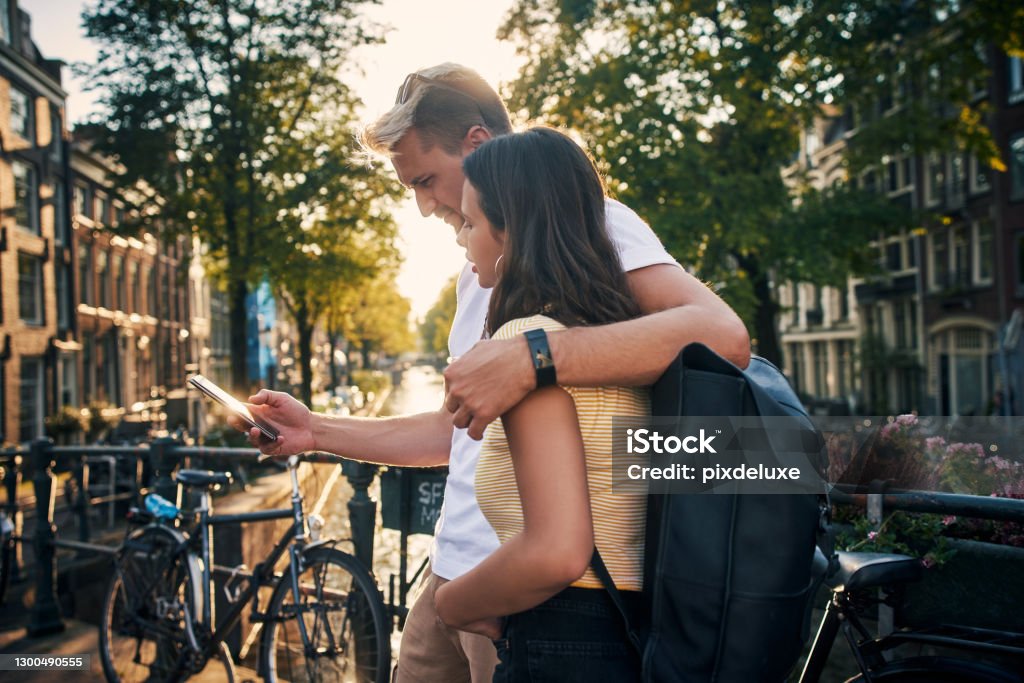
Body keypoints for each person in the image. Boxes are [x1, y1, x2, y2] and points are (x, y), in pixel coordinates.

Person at [238, 63, 750, 683]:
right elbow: (459, 430)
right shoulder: (478, 267)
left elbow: (722, 338)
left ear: (477, 146)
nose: (425, 207)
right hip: (455, 567)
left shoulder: (591, 221)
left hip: (531, 592)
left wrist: (532, 357)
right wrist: (316, 431)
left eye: (425, 180)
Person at [434, 126, 649, 681]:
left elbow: (557, 551)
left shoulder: (525, 347)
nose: (462, 238)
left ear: (513, 231)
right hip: (629, 626)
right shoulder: (616, 337)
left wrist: (453, 604)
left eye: (471, 222)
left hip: (565, 637)